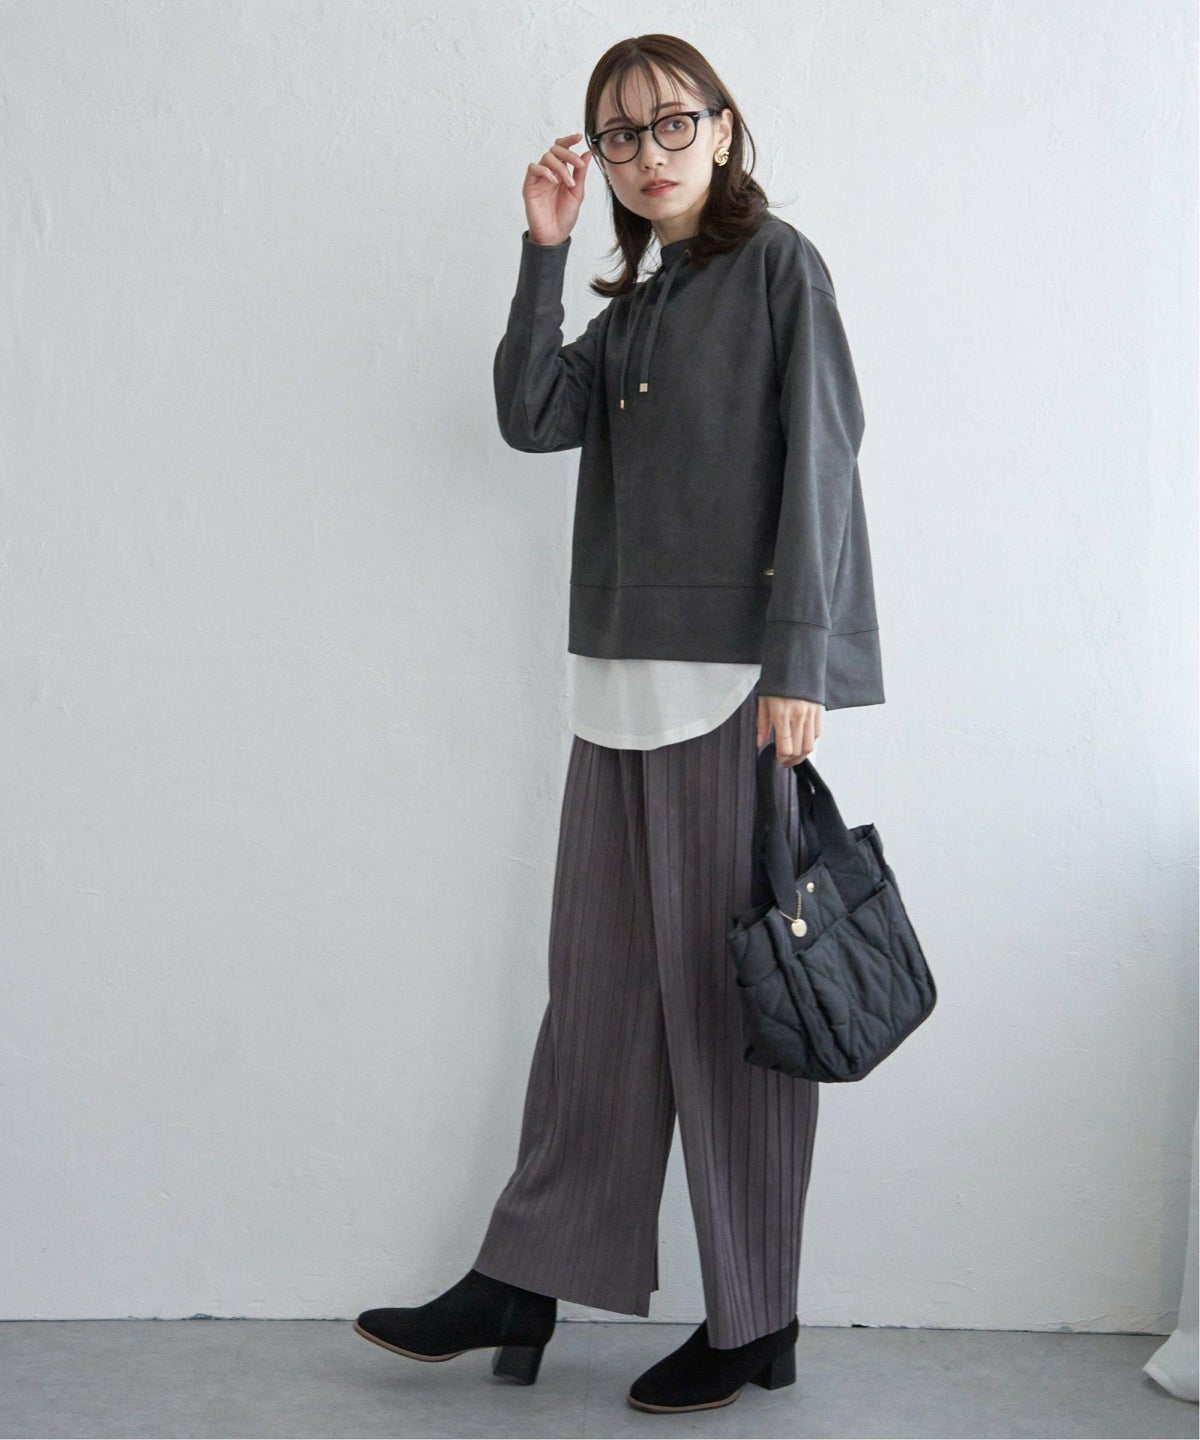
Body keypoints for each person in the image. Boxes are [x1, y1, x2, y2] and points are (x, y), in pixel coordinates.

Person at [355, 32, 884, 1416]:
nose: (647, 153)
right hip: (615, 689)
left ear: (723, 127)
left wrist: (803, 662)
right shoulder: (639, 304)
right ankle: (524, 1275)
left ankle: (756, 1314)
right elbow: (533, 415)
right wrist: (545, 252)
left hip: (732, 693)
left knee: (729, 1006)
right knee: (592, 1000)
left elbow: (824, 466)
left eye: (670, 124)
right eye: (619, 135)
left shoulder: (779, 270)